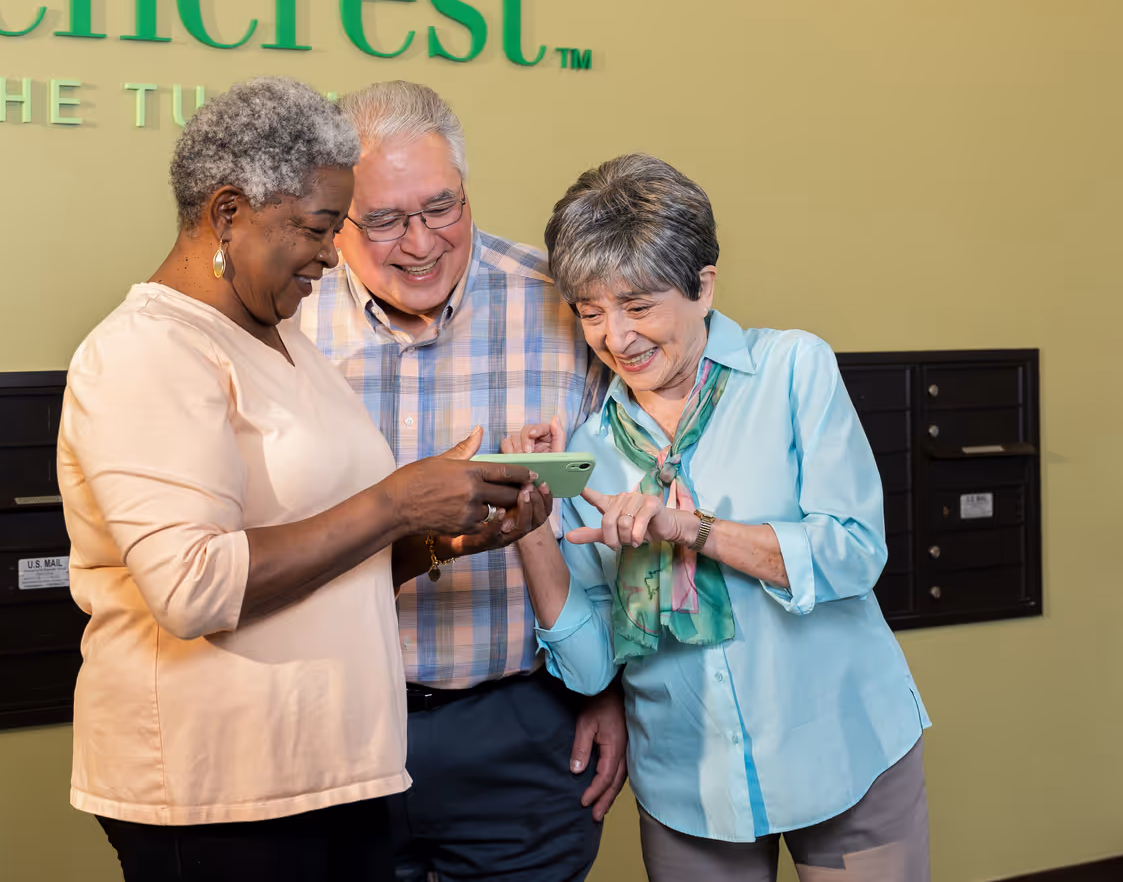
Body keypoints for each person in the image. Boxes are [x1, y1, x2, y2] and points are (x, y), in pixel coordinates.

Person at [57, 77, 550, 882]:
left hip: (333, 775)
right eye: (322, 227)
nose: (332, 253)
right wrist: (395, 502)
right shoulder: (148, 351)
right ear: (227, 213)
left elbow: (327, 561)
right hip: (221, 792)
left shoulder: (278, 334)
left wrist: (435, 541)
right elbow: (193, 589)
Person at [509, 153, 932, 882]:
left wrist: (690, 530)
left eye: (638, 305)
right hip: (688, 782)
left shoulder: (794, 370)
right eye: (590, 311)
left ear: (704, 286)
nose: (616, 337)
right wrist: (532, 523)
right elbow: (585, 670)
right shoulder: (589, 451)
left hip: (846, 747)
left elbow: (853, 552)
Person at [298, 80, 625, 882]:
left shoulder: (565, 304)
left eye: (441, 207)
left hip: (522, 728)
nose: (419, 243)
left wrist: (611, 688)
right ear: (336, 217)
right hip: (333, 728)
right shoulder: (281, 321)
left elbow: (617, 512)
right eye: (383, 220)